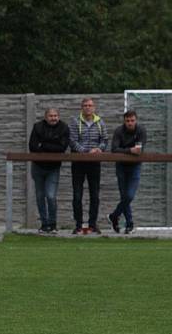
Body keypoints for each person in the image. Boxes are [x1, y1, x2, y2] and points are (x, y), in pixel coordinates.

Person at [69, 98, 108, 234]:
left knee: (95, 195)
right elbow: (72, 141)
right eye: (85, 105)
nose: (87, 108)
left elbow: (104, 140)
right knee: (77, 195)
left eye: (90, 105)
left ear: (94, 107)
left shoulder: (100, 122)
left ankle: (92, 224)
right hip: (78, 163)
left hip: (94, 163)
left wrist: (98, 149)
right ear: (81, 107)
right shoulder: (75, 121)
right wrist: (86, 152)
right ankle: (78, 225)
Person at [28, 108, 69, 233]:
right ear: (45, 117)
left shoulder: (64, 127)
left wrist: (44, 144)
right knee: (40, 196)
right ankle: (44, 224)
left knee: (51, 196)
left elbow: (62, 147)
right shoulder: (37, 126)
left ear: (59, 116)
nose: (53, 118)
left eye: (56, 115)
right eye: (51, 116)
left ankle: (53, 224)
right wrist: (52, 145)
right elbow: (33, 146)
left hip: (53, 168)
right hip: (38, 167)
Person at [107, 110, 146, 235]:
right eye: (128, 121)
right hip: (121, 166)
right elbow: (114, 149)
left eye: (132, 120)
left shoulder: (141, 130)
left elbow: (140, 150)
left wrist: (129, 150)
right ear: (124, 121)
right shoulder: (119, 131)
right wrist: (130, 150)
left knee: (129, 196)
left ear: (136, 120)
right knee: (124, 196)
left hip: (135, 166)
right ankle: (129, 224)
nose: (130, 123)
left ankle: (114, 215)